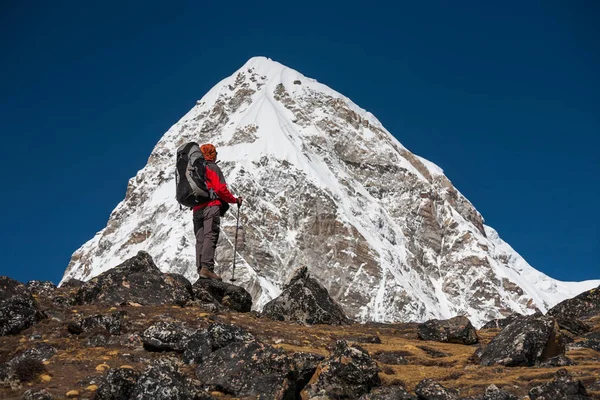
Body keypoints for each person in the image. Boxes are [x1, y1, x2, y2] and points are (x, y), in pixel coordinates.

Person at [192, 144, 242, 281]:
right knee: (210, 236)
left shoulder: (194, 169)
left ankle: (200, 269)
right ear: (212, 154)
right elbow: (220, 190)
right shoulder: (212, 167)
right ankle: (207, 268)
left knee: (200, 239)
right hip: (211, 206)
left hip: (196, 209)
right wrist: (234, 200)